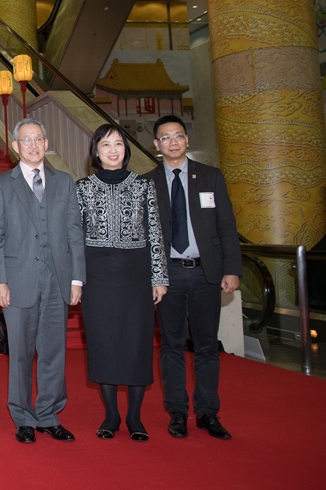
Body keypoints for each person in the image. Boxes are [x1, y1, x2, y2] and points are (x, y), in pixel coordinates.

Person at [0, 118, 85, 444]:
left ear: (46, 142)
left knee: (54, 352)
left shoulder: (64, 182)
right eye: (26, 140)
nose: (33, 145)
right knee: (22, 355)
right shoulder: (0, 184)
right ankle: (23, 417)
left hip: (57, 281)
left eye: (38, 138)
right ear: (16, 146)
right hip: (18, 281)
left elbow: (74, 234)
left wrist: (76, 279)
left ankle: (49, 415)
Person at [146, 115, 241, 440]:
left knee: (206, 346)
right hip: (168, 274)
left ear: (186, 140)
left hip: (206, 273)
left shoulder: (211, 177)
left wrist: (232, 269)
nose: (173, 142)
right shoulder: (148, 182)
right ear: (156, 145)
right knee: (171, 345)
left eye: (178, 136)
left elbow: (227, 226)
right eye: (165, 137)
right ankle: (177, 412)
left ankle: (207, 413)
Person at [75, 124, 168, 441]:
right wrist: (77, 278)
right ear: (96, 151)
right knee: (103, 343)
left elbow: (155, 232)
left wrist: (159, 276)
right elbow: (75, 237)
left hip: (136, 275)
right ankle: (111, 415)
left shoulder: (144, 186)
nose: (112, 150)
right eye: (105, 144)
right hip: (97, 277)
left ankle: (135, 417)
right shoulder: (83, 188)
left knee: (137, 343)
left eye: (118, 144)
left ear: (126, 150)